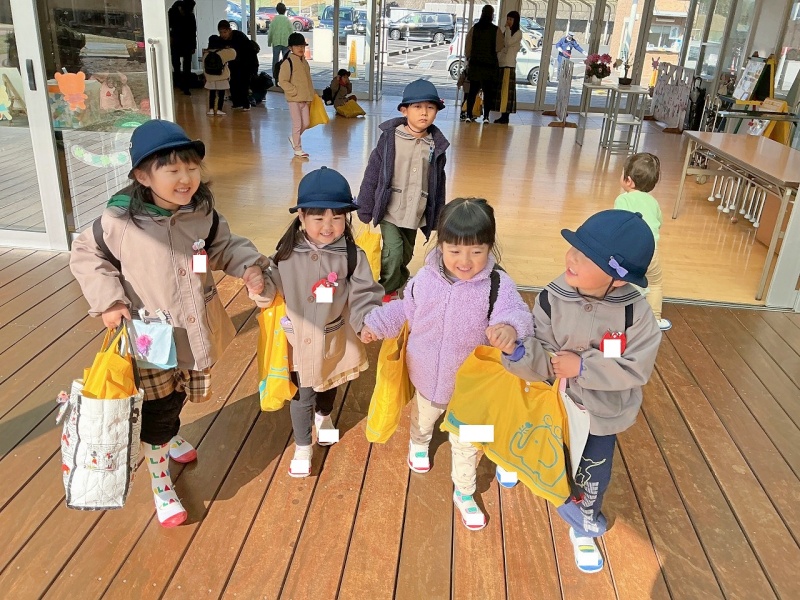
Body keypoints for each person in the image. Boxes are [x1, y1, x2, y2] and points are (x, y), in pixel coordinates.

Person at [69, 120, 271, 527]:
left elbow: (223, 246)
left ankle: (169, 433)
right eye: (172, 170)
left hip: (193, 331)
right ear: (143, 176)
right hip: (150, 338)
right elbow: (87, 254)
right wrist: (110, 300)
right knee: (158, 408)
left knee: (178, 395)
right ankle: (161, 483)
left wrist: (249, 266)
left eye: (191, 168)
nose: (185, 178)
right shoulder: (120, 221)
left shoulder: (201, 212)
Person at [501, 209, 661, 572]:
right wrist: (517, 353)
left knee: (591, 474)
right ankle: (518, 467)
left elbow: (636, 367)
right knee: (535, 446)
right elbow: (542, 351)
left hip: (601, 416)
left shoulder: (636, 316)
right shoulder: (552, 296)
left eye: (586, 258)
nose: (572, 258)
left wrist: (584, 367)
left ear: (617, 280)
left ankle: (583, 526)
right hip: (552, 404)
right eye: (574, 248)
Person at [360, 198, 533, 531]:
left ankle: (464, 491)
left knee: (466, 443)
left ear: (490, 248)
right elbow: (404, 310)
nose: (465, 261)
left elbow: (517, 313)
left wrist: (509, 328)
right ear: (440, 245)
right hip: (426, 377)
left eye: (476, 251)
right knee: (423, 418)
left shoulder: (497, 285)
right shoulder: (425, 279)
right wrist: (376, 324)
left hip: (471, 389)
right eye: (455, 251)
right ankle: (419, 443)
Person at [256, 167, 383, 477]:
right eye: (318, 218)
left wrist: (366, 321)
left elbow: (364, 293)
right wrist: (260, 290)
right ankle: (302, 446)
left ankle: (324, 417)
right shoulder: (286, 254)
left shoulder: (352, 255)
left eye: (337, 218)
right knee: (302, 396)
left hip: (334, 339)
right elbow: (271, 287)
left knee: (330, 385)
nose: (328, 226)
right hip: (297, 341)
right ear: (301, 217)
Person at [356, 80, 449, 302]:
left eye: (430, 107)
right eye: (417, 107)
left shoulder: (436, 145)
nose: (424, 113)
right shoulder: (390, 139)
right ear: (404, 110)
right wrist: (365, 205)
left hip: (416, 209)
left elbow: (439, 182)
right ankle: (385, 290)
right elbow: (373, 171)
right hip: (390, 208)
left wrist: (438, 216)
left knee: (406, 253)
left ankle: (399, 283)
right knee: (394, 250)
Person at [613, 153, 671, 331]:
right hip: (650, 251)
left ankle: (619, 316)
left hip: (628, 250)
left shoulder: (623, 199)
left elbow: (619, 223)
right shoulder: (653, 202)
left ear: (628, 181)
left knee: (623, 280)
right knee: (654, 283)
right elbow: (659, 223)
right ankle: (655, 319)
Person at [464, 5, 503, 124]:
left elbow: (468, 46)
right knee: (488, 93)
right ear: (492, 15)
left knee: (472, 91)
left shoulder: (474, 28)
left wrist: (469, 57)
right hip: (489, 65)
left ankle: (469, 115)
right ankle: (486, 117)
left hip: (475, 64)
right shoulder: (496, 30)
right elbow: (499, 47)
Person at [279, 32, 314, 158]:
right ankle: (297, 148)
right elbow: (282, 81)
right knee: (297, 124)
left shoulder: (304, 62)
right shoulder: (288, 62)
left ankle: (294, 138)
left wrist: (311, 95)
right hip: (294, 99)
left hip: (305, 99)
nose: (301, 48)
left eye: (302, 46)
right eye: (297, 46)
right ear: (290, 48)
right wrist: (293, 91)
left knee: (306, 123)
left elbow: (308, 80)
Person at [218, 19, 259, 111]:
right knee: (233, 83)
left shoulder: (239, 36)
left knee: (243, 83)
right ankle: (236, 103)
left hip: (247, 62)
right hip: (234, 64)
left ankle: (246, 104)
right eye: (221, 32)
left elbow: (249, 52)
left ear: (229, 30)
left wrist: (253, 68)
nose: (223, 35)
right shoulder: (222, 40)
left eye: (225, 32)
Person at [492, 11, 522, 124]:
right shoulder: (506, 32)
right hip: (502, 63)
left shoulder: (518, 33)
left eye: (511, 19)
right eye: (508, 19)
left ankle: (506, 116)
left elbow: (508, 43)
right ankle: (502, 115)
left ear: (515, 21)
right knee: (502, 91)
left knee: (507, 91)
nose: (508, 21)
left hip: (509, 64)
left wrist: (508, 29)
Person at [168, 0, 197, 95]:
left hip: (181, 42)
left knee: (181, 65)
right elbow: (193, 32)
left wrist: (193, 46)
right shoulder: (173, 12)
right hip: (178, 42)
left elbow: (193, 31)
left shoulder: (189, 15)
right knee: (180, 64)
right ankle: (182, 85)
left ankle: (184, 85)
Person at [204, 35, 236, 116]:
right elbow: (234, 54)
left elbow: (204, 67)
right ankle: (219, 110)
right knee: (221, 94)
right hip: (222, 77)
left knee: (212, 94)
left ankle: (211, 110)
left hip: (210, 78)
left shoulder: (206, 53)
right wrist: (226, 46)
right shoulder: (223, 52)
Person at [268, 3, 293, 76]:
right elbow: (291, 31)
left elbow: (270, 31)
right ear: (285, 11)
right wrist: (291, 43)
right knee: (286, 60)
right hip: (286, 42)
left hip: (276, 42)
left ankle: (275, 74)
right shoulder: (287, 20)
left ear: (277, 10)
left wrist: (269, 42)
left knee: (275, 59)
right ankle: (285, 74)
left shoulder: (274, 20)